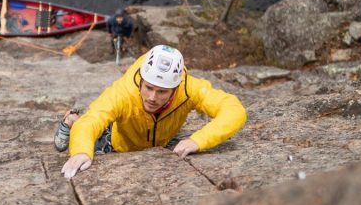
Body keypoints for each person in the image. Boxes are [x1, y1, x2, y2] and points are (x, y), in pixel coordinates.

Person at [55, 45, 246, 179]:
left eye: (162, 91)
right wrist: (81, 151)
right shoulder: (123, 92)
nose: (152, 97)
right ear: (141, 81)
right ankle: (71, 120)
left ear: (175, 88)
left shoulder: (189, 89)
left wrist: (198, 140)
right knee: (95, 132)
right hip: (118, 143)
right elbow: (93, 119)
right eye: (148, 88)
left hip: (163, 139)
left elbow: (233, 110)